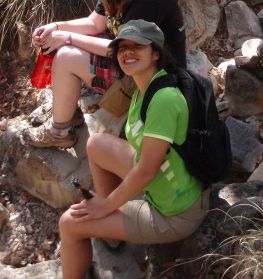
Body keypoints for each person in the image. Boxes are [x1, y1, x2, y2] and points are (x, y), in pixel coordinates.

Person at [58, 20, 210, 279]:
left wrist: (106, 205)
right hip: (171, 179)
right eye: (122, 47)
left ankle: (107, 219)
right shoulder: (146, 86)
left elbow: (146, 171)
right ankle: (111, 231)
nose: (128, 52)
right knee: (96, 144)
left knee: (69, 224)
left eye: (137, 46)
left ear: (156, 53)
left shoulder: (163, 98)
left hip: (175, 212)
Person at [24, 0, 186, 149]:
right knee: (59, 44)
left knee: (67, 55)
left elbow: (121, 49)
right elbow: (94, 23)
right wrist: (55, 27)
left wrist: (67, 39)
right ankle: (68, 113)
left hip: (153, 77)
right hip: (135, 59)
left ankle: (59, 131)